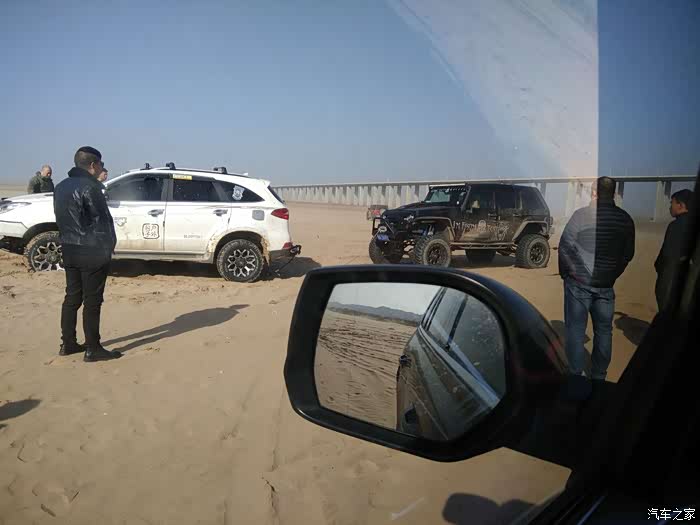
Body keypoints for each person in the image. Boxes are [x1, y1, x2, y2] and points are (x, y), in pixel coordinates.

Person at [558, 176, 635, 380]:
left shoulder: (581, 215)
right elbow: (627, 255)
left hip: (578, 284)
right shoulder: (625, 219)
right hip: (606, 286)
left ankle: (575, 375)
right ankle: (599, 376)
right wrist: (612, 275)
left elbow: (565, 246)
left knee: (575, 330)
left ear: (594, 193)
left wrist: (568, 274)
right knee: (604, 331)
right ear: (614, 194)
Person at [54, 146, 121, 362]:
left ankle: (68, 343)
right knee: (92, 301)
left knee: (72, 297)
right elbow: (101, 221)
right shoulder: (91, 187)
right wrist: (108, 246)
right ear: (93, 165)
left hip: (69, 248)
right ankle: (93, 348)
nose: (102, 167)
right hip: (91, 251)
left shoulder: (60, 186)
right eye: (101, 164)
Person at [654, 188, 694, 312]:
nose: (670, 207)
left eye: (672, 203)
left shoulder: (676, 226)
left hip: (671, 278)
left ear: (680, 205)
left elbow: (668, 255)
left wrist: (660, 268)